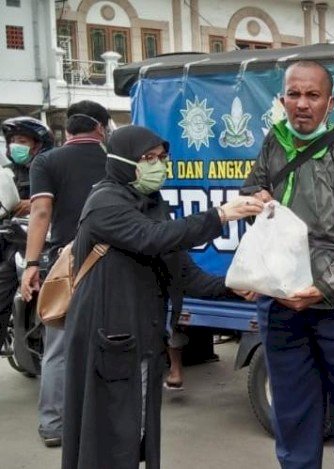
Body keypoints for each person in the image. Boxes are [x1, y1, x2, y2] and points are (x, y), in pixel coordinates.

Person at [61, 125, 264, 469]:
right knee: (107, 437)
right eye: (148, 159)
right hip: (105, 337)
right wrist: (222, 215)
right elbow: (151, 238)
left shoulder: (152, 204)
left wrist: (232, 285)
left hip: (142, 339)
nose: (158, 165)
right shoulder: (104, 203)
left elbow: (183, 273)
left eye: (161, 158)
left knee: (135, 433)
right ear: (123, 161)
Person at [243, 60, 334, 469]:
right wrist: (257, 200)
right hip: (282, 307)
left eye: (312, 95)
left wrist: (322, 288)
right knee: (293, 418)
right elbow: (252, 192)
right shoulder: (273, 144)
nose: (302, 104)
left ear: (330, 102)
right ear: (283, 98)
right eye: (294, 94)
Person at [19, 101, 110, 448]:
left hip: (66, 263)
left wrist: (31, 265)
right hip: (112, 259)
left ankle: (54, 424)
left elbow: (41, 212)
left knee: (58, 346)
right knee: (109, 341)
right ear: (101, 128)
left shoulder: (47, 161)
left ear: (68, 130)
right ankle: (103, 420)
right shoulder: (112, 160)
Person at [0, 117, 53, 355]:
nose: (15, 146)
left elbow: (48, 204)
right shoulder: (7, 174)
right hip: (11, 244)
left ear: (37, 144)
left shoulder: (49, 168)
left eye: (21, 140)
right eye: (11, 141)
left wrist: (31, 204)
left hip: (44, 246)